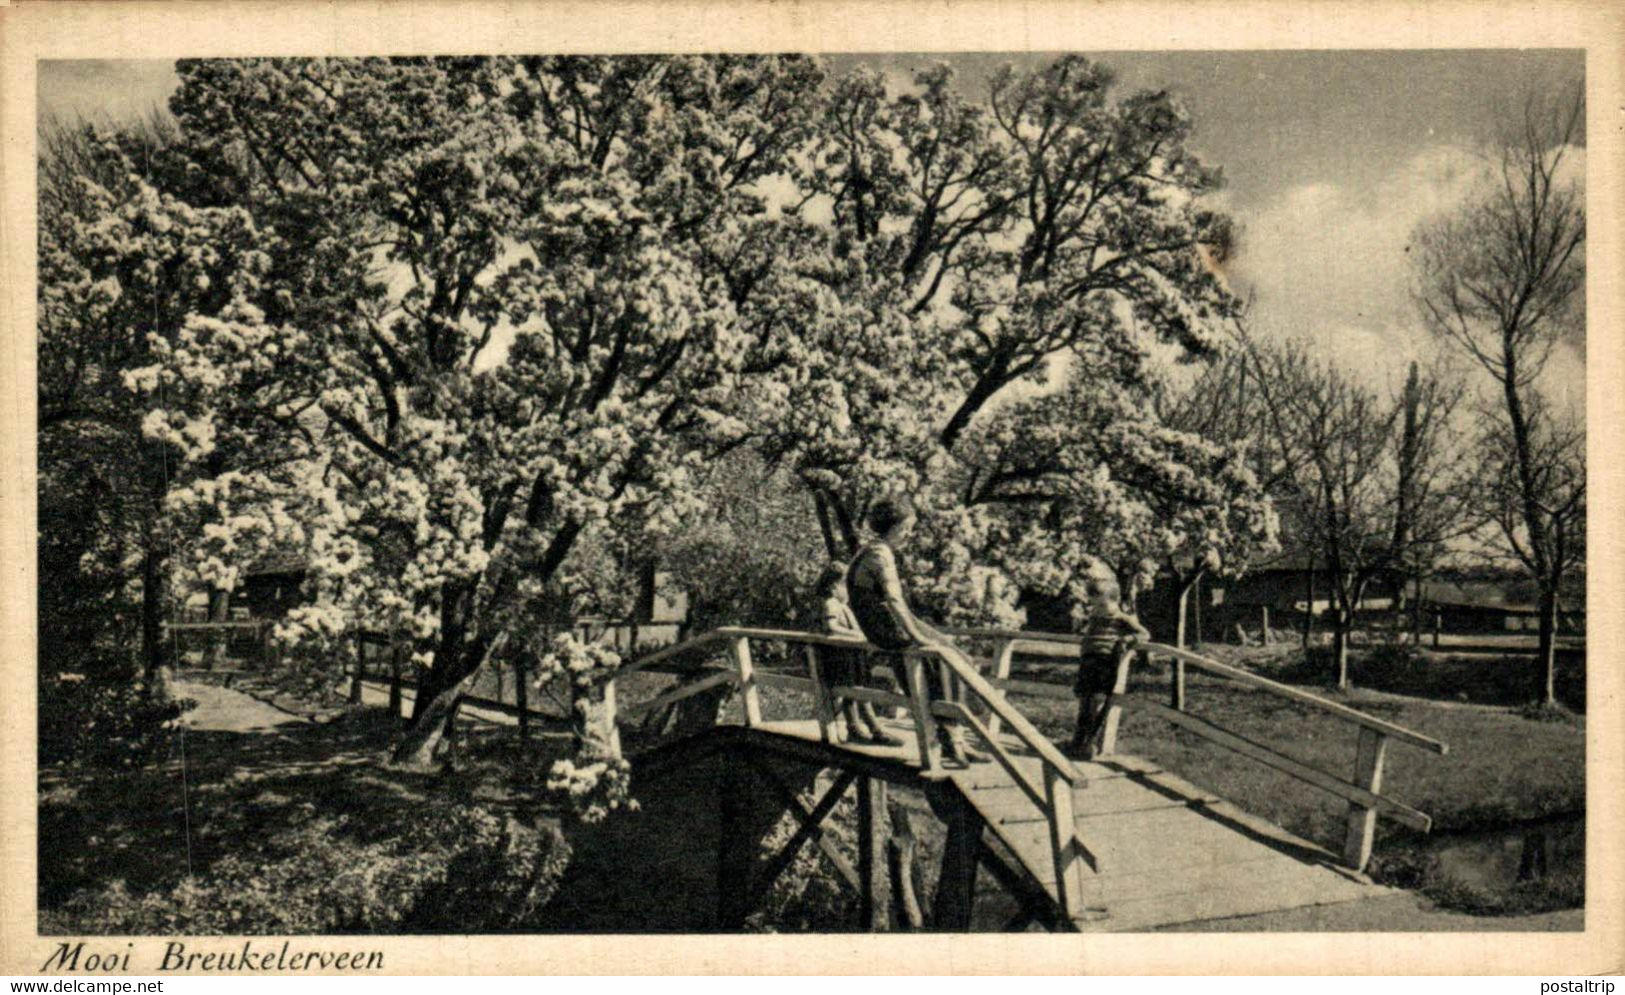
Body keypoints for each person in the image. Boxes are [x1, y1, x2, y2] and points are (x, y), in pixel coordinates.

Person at [844, 495, 985, 766]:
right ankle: (953, 739)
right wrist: (917, 636)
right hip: (887, 627)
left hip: (884, 625)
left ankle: (956, 738)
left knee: (952, 657)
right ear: (894, 527)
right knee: (944, 658)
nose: (908, 535)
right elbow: (895, 602)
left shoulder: (870, 550)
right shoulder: (879, 554)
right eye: (906, 529)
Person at [1068, 557, 1150, 759]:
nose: (1098, 610)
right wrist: (1081, 629)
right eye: (1094, 605)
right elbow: (1086, 633)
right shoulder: (1095, 617)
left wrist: (1127, 639)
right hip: (1088, 660)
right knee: (1084, 700)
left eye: (1102, 605)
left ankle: (1090, 743)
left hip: (1105, 662)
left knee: (1098, 700)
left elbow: (1144, 634)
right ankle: (1078, 740)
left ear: (1115, 602)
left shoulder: (1121, 618)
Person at [813, 564, 901, 746]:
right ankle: (874, 730)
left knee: (853, 693)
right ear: (833, 587)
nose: (848, 591)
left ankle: (856, 728)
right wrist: (858, 635)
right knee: (857, 692)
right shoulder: (831, 603)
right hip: (842, 656)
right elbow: (831, 627)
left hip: (849, 654)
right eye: (844, 586)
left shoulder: (839, 604)